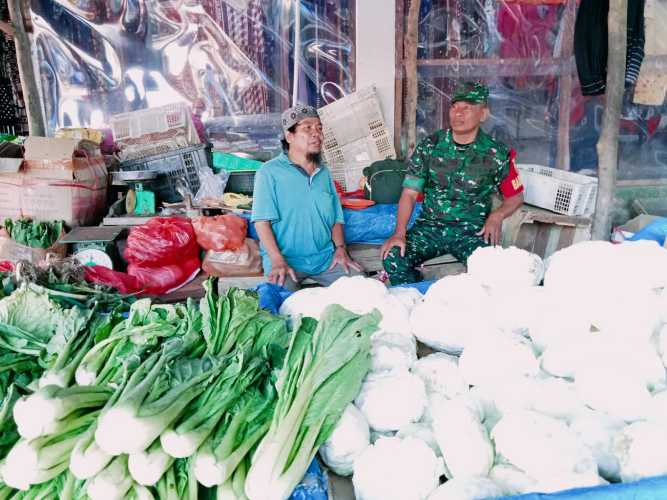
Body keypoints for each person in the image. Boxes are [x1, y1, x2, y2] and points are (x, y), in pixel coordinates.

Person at [380, 81, 525, 285]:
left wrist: (497, 215)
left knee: (495, 271)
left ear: (483, 114)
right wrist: (399, 233)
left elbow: (516, 196)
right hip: (429, 229)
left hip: (472, 232)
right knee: (393, 257)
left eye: (467, 108)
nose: (458, 113)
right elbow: (410, 194)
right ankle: (415, 297)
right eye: (455, 106)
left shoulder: (496, 154)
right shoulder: (430, 147)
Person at [252, 104, 363, 290]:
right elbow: (261, 222)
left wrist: (341, 249)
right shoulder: (269, 172)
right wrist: (277, 259)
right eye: (307, 128)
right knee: (282, 304)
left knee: (362, 285)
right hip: (286, 260)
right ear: (289, 136)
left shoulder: (324, 172)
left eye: (319, 128)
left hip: (324, 260)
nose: (316, 133)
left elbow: (336, 217)